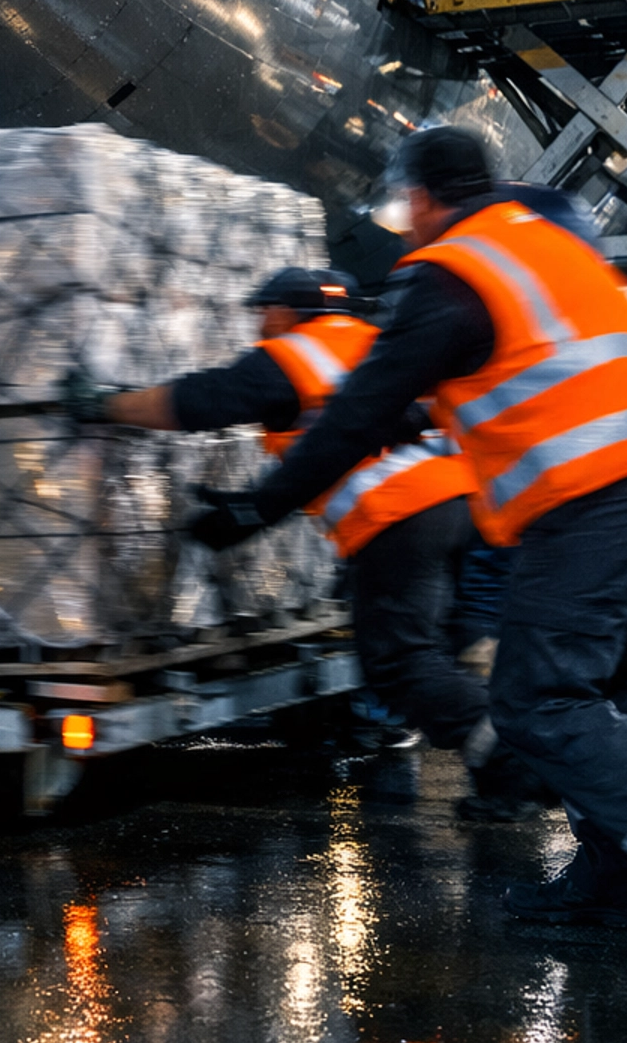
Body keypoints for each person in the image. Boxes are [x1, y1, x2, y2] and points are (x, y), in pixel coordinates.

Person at [190, 126, 627, 950]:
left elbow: (356, 413)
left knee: (539, 701)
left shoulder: (452, 270)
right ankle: (618, 885)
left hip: (592, 491)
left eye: (405, 206)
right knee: (615, 686)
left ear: (422, 197)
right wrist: (399, 420)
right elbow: (447, 393)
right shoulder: (541, 242)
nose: (404, 223)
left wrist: (256, 509)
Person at [79, 266, 511, 805]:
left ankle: (511, 758)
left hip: (400, 512)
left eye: (264, 310)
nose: (259, 322)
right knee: (460, 638)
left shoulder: (293, 355)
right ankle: (502, 776)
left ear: (287, 311)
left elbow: (200, 401)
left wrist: (104, 405)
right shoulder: (372, 339)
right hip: (465, 501)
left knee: (399, 661)